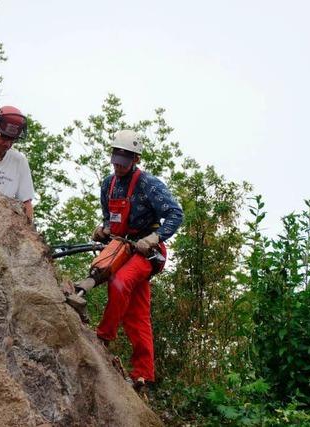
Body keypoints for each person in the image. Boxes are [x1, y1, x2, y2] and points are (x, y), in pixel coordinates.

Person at [91, 129, 183, 393]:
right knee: (137, 313)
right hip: (120, 248)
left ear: (135, 159)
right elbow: (111, 219)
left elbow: (176, 214)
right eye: (115, 157)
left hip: (146, 253)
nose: (118, 163)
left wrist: (154, 237)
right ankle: (143, 373)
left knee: (119, 283)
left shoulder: (149, 184)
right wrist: (103, 230)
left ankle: (103, 337)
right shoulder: (107, 184)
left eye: (124, 158)